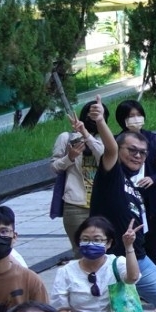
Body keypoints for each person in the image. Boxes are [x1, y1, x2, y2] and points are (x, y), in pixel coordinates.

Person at [87, 118, 156, 312]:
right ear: (119, 149)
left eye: (143, 152)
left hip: (138, 259)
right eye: (132, 150)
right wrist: (100, 120)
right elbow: (109, 148)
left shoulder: (133, 185)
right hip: (106, 262)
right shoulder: (110, 175)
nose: (138, 155)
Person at [113, 99, 156, 262]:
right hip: (126, 199)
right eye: (130, 116)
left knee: (151, 243)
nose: (135, 119)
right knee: (128, 241)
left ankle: (149, 274)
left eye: (138, 115)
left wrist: (154, 178)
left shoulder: (154, 139)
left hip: (152, 199)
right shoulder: (116, 142)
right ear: (122, 119)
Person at [48, 99, 107, 247]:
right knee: (81, 250)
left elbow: (105, 159)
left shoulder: (106, 139)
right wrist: (70, 157)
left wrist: (86, 135)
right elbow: (55, 167)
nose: (92, 119)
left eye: (97, 116)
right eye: (89, 115)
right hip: (75, 205)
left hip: (103, 204)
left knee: (105, 249)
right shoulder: (66, 138)